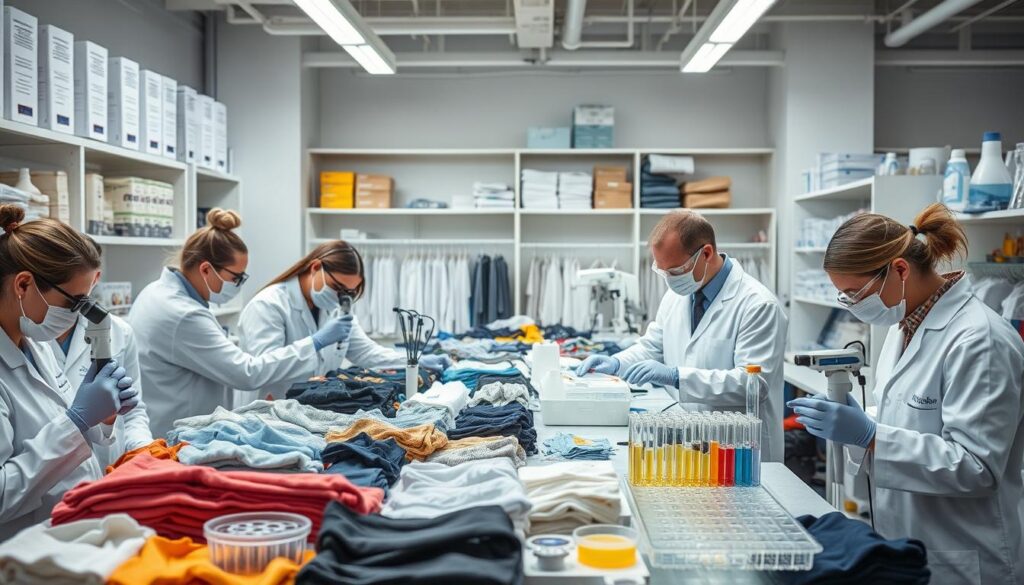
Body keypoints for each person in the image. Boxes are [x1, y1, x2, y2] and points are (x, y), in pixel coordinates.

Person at [789, 204, 1024, 585]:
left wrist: (871, 434)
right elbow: (910, 416)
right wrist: (864, 420)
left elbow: (977, 468)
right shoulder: (904, 327)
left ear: (899, 270)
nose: (851, 305)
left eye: (854, 293)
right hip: (907, 544)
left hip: (965, 555)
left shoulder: (981, 340)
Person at [576, 210, 786, 461]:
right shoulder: (678, 294)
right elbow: (652, 346)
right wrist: (617, 362)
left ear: (706, 254)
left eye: (675, 271)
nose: (669, 280)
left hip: (741, 448)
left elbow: (752, 385)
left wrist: (677, 377)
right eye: (662, 271)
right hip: (693, 440)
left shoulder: (758, 304)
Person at [129, 209, 354, 437]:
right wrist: (315, 342)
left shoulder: (157, 291)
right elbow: (248, 373)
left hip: (171, 421)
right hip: (176, 431)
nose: (239, 284)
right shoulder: (183, 314)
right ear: (206, 269)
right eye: (236, 277)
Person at [0, 205, 137, 538]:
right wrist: (76, 419)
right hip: (19, 551)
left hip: (68, 531)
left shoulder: (36, 343)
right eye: (74, 303)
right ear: (23, 285)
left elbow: (60, 435)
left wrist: (102, 419)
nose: (79, 315)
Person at [239, 241, 450, 399]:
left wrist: (415, 360)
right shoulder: (268, 305)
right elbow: (260, 370)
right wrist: (315, 342)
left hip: (306, 410)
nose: (341, 296)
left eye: (348, 292)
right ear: (315, 268)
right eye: (337, 288)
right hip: (268, 408)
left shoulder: (337, 308)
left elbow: (367, 353)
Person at [51, 238, 153, 469]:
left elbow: (133, 411)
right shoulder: (31, 336)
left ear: (95, 278)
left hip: (107, 465)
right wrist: (80, 418)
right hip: (52, 478)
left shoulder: (120, 331)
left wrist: (143, 450)